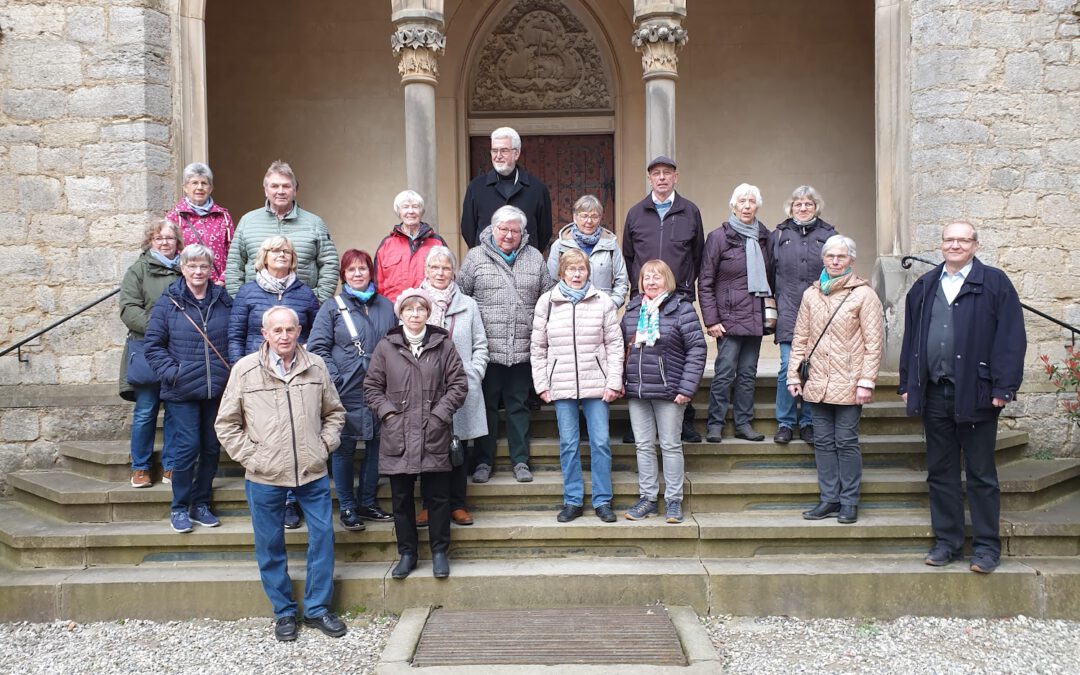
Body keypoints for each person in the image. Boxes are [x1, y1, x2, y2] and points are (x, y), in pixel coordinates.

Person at [899, 221, 1026, 574]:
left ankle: (986, 548)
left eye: (963, 240)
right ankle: (947, 543)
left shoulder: (994, 283)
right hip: (935, 393)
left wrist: (1004, 387)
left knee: (981, 473)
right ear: (941, 245)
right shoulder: (924, 286)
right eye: (949, 239)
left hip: (978, 393)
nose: (955, 245)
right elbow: (912, 339)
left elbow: (1012, 338)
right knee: (941, 473)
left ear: (975, 245)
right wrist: (909, 381)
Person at [215, 306, 348, 642]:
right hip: (265, 477)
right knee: (270, 545)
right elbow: (226, 424)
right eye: (278, 331)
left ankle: (317, 609)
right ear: (265, 333)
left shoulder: (315, 366)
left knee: (323, 538)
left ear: (299, 330)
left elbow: (335, 413)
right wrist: (253, 457)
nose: (285, 337)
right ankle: (284, 612)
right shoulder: (245, 371)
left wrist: (323, 446)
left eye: (290, 330)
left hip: (311, 471)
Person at [363, 289, 469, 580]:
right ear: (400, 314)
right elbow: (372, 387)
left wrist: (439, 415)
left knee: (437, 497)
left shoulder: (443, 345)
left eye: (420, 309)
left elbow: (458, 384)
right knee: (400, 499)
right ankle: (407, 553)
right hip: (398, 434)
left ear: (428, 313)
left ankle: (439, 552)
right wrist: (389, 414)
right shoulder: (387, 347)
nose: (414, 314)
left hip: (434, 432)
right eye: (408, 309)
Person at [787, 235, 883, 525]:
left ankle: (849, 501)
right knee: (824, 443)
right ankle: (829, 499)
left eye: (841, 257)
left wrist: (867, 380)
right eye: (830, 256)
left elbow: (873, 342)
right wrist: (793, 374)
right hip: (817, 380)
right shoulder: (811, 294)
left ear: (851, 260)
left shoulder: (864, 295)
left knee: (846, 441)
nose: (835, 261)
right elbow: (800, 337)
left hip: (850, 381)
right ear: (823, 259)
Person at [228, 235, 320, 528]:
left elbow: (316, 335)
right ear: (263, 257)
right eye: (274, 250)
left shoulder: (305, 294)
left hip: (296, 373)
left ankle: (292, 501)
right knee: (271, 435)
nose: (281, 255)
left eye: (286, 251)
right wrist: (239, 371)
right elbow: (235, 335)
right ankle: (273, 497)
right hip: (258, 377)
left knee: (294, 432)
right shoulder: (247, 292)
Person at [458, 205, 553, 484]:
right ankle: (483, 461)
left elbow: (547, 296)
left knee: (518, 405)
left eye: (515, 230)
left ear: (522, 232)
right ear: (493, 228)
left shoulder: (534, 257)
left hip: (522, 348)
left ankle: (520, 461)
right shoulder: (475, 258)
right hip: (486, 350)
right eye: (504, 229)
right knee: (484, 406)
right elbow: (461, 296)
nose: (509, 235)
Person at [143, 244, 232, 534]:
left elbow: (234, 335)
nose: (198, 271)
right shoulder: (168, 302)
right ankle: (180, 506)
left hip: (216, 388)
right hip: (181, 390)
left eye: (203, 266)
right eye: (192, 266)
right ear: (182, 268)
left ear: (210, 269)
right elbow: (153, 345)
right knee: (187, 447)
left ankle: (201, 503)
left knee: (210, 447)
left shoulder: (222, 299)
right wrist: (173, 373)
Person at [306, 249, 396, 531]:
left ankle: (367, 502)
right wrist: (337, 377)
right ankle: (347, 506)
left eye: (362, 269)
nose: (357, 274)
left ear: (371, 272)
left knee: (375, 445)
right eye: (351, 270)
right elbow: (318, 347)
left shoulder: (387, 306)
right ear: (343, 275)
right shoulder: (331, 307)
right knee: (343, 448)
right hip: (345, 389)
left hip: (379, 388)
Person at [531, 249, 623, 523]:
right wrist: (542, 383)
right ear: (561, 272)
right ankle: (572, 500)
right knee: (569, 444)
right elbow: (538, 347)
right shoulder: (547, 302)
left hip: (597, 383)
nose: (576, 274)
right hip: (561, 383)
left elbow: (615, 345)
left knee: (600, 442)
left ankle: (603, 500)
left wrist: (613, 381)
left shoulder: (602, 301)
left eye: (581, 269)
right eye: (570, 269)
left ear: (588, 272)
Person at [621, 156, 705, 442]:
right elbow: (629, 255)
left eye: (667, 173)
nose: (661, 178)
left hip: (677, 299)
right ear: (650, 179)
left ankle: (685, 421)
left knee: (677, 357)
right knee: (643, 356)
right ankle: (639, 426)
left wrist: (682, 286)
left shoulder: (690, 212)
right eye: (656, 174)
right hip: (644, 299)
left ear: (675, 177)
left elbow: (697, 255)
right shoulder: (635, 213)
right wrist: (638, 291)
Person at [622, 260, 707, 524]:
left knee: (670, 445)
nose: (650, 282)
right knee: (643, 446)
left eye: (656, 277)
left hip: (670, 390)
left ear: (667, 280)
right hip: (638, 390)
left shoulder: (681, 309)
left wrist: (687, 388)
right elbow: (619, 346)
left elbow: (697, 349)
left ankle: (673, 501)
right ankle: (647, 499)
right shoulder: (633, 309)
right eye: (646, 277)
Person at [416, 246, 489, 527]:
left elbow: (481, 344)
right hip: (424, 389)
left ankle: (458, 504)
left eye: (445, 268)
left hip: (460, 387)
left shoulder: (468, 304)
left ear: (453, 271)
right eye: (434, 268)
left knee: (458, 446)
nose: (440, 273)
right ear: (426, 271)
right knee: (428, 447)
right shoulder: (414, 301)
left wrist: (474, 373)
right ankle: (428, 505)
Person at [699, 183, 774, 444]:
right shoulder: (718, 237)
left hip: (754, 316)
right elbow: (705, 281)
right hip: (728, 320)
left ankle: (743, 423)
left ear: (757, 206)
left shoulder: (764, 237)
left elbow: (772, 277)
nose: (746, 206)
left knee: (747, 374)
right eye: (741, 201)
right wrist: (711, 320)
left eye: (751, 201)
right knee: (724, 373)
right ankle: (715, 424)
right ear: (733, 205)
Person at [119, 219, 183, 488]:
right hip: (148, 349)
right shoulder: (138, 270)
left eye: (169, 238)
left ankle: (171, 466)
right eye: (159, 238)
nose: (165, 242)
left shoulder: (185, 268)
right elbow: (129, 309)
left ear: (177, 243)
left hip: (179, 351)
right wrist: (159, 328)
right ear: (150, 243)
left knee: (176, 413)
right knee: (146, 411)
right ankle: (141, 467)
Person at [770, 186, 836, 445]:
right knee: (789, 366)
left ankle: (808, 421)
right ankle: (785, 422)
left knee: (813, 369)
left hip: (820, 312)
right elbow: (769, 270)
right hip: (788, 309)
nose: (803, 208)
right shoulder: (779, 234)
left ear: (816, 206)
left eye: (808, 203)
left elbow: (837, 270)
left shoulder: (828, 234)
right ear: (791, 207)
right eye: (798, 204)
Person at [225, 160, 339, 302]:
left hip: (303, 308)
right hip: (256, 308)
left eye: (286, 186)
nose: (280, 191)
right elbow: (234, 266)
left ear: (295, 190)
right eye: (274, 186)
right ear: (266, 191)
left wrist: (318, 301)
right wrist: (242, 302)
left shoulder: (315, 223)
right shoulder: (247, 221)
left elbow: (330, 263)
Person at [460, 127, 553, 251]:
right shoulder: (476, 187)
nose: (498, 156)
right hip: (487, 262)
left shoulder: (537, 188)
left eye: (504, 150)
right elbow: (468, 229)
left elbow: (545, 232)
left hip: (525, 263)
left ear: (516, 153)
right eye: (494, 151)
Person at [546, 194, 629, 308]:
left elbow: (622, 281)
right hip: (569, 313)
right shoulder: (560, 246)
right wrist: (562, 306)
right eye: (584, 216)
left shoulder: (611, 245)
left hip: (602, 312)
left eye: (594, 216)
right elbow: (550, 281)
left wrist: (612, 304)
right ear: (575, 217)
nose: (589, 221)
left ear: (600, 218)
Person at [166, 162, 234, 286]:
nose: (199, 188)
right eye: (194, 183)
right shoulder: (174, 217)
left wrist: (222, 280)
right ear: (185, 187)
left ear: (211, 188)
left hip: (218, 287)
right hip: (185, 287)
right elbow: (167, 253)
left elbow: (233, 252)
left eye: (204, 183)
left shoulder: (223, 216)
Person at [373, 190, 447, 303]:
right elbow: (378, 284)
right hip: (393, 311)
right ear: (399, 212)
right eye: (405, 207)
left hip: (430, 310)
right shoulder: (387, 244)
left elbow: (448, 276)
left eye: (415, 207)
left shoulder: (436, 242)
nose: (411, 211)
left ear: (421, 211)